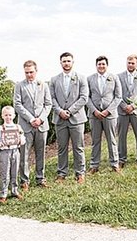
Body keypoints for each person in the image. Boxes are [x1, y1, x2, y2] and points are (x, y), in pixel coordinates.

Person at [12, 59, 50, 190]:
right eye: (27, 72)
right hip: (26, 125)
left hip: (41, 125)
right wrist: (31, 119)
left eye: (31, 72)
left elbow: (48, 104)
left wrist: (41, 119)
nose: (29, 75)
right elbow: (17, 104)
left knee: (41, 153)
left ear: (36, 71)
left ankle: (40, 178)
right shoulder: (19, 86)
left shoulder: (43, 85)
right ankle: (24, 180)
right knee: (24, 155)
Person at [50, 52, 87, 183]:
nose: (66, 63)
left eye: (68, 61)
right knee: (62, 148)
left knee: (78, 147)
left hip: (76, 118)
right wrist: (60, 111)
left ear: (72, 62)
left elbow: (84, 98)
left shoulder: (81, 78)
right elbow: (51, 98)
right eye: (64, 61)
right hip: (60, 119)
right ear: (60, 63)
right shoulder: (54, 80)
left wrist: (70, 111)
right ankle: (62, 173)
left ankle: (80, 173)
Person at [87, 54, 122, 172]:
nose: (101, 66)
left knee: (111, 139)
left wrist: (108, 110)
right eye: (99, 64)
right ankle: (94, 165)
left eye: (103, 64)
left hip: (110, 115)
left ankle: (114, 164)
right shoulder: (90, 79)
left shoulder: (114, 78)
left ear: (107, 65)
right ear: (96, 66)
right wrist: (94, 111)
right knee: (95, 141)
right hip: (95, 115)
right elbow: (87, 97)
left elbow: (118, 96)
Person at [116, 54, 137, 166]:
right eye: (129, 63)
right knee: (121, 136)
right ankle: (122, 158)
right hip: (122, 111)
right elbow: (116, 94)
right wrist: (124, 106)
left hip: (136, 111)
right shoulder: (118, 77)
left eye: (132, 63)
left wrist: (133, 106)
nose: (130, 65)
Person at [0, 105, 25, 205]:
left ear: (14, 116)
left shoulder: (17, 127)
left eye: (10, 115)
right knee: (5, 173)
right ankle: (3, 194)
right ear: (2, 116)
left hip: (15, 151)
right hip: (5, 152)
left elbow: (23, 138)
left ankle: (14, 191)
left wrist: (21, 141)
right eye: (6, 115)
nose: (8, 117)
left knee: (15, 172)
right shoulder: (0, 128)